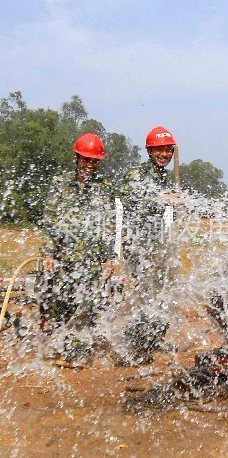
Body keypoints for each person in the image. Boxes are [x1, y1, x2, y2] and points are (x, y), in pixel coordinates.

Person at [39, 133, 115, 363]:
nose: (90, 165)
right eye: (86, 160)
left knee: (86, 307)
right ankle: (63, 346)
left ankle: (78, 353)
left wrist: (108, 257)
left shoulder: (104, 188)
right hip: (64, 257)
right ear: (77, 158)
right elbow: (50, 219)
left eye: (94, 161)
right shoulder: (60, 184)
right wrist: (48, 252)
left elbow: (107, 223)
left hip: (91, 260)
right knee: (61, 305)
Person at [118, 126, 182, 363]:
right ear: (149, 151)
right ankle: (132, 347)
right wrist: (160, 199)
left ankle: (152, 339)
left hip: (156, 246)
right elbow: (130, 198)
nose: (164, 154)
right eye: (159, 150)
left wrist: (176, 205)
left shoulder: (164, 178)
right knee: (147, 296)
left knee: (164, 294)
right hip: (138, 247)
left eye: (167, 150)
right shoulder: (137, 174)